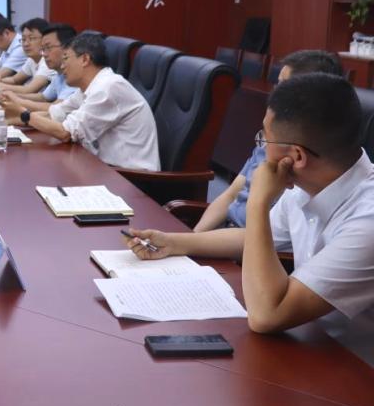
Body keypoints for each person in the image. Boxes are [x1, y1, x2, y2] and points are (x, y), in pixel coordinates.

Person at [126, 73, 374, 366]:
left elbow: (267, 316)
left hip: (353, 370)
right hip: (307, 341)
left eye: (265, 138)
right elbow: (252, 237)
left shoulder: (366, 220)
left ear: (296, 156)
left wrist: (258, 199)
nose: (261, 146)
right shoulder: (309, 185)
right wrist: (174, 243)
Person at [193, 50, 345, 232]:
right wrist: (194, 235)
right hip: (225, 232)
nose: (274, 92)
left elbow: (260, 237)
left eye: (282, 85)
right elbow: (231, 194)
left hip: (246, 242)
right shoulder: (271, 138)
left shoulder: (306, 167)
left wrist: (188, 242)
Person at [25, 32, 160, 171]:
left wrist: (25, 116)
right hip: (104, 168)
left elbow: (65, 133)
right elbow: (56, 113)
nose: (62, 66)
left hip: (131, 176)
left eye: (65, 58)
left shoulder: (108, 87)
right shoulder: (89, 87)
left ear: (85, 59)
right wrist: (17, 117)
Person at [0, 23, 78, 124]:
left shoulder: (75, 77)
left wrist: (16, 102)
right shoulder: (59, 72)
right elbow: (43, 97)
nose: (44, 54)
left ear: (68, 49)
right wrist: (10, 98)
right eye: (43, 49)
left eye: (48, 48)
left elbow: (56, 109)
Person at [0, 17, 51, 91]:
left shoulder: (47, 61)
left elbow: (29, 89)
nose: (26, 44)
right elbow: (14, 80)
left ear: (45, 40)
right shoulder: (32, 60)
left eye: (31, 38)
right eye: (23, 39)